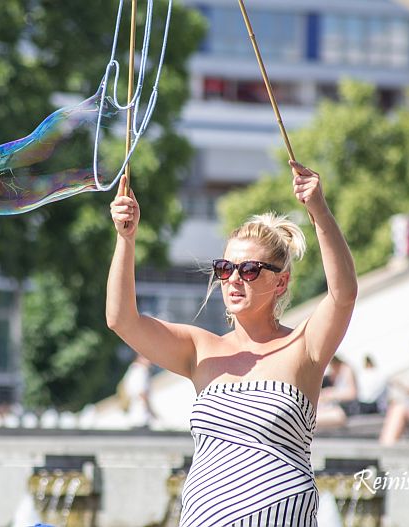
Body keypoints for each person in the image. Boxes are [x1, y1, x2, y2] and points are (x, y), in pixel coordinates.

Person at [107, 160, 357, 526]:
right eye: (225, 268)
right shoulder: (201, 348)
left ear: (281, 282)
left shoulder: (304, 346)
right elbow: (121, 320)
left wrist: (318, 209)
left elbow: (344, 294)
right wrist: (126, 238)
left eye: (250, 270)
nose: (234, 279)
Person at [316, 356, 358, 429]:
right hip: (337, 408)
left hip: (346, 409)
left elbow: (352, 393)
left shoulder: (345, 369)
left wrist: (331, 394)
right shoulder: (335, 372)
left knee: (315, 419)